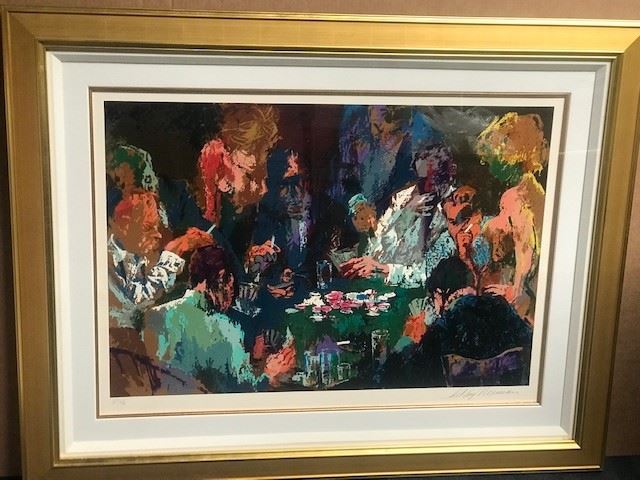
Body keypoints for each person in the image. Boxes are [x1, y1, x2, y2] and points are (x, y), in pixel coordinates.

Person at [143, 245, 296, 392]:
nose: (232, 295)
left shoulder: (156, 315)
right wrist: (270, 375)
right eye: (231, 287)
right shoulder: (226, 330)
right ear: (224, 278)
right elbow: (244, 389)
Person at [340, 142, 456, 287]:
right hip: (381, 286)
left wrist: (382, 269)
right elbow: (379, 244)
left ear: (447, 176)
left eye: (432, 181)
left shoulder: (453, 211)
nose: (424, 188)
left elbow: (428, 274)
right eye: (421, 180)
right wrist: (365, 261)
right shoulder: (404, 197)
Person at [474, 112, 549, 325]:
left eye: (491, 158)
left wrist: (515, 291)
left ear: (509, 157)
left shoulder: (515, 196)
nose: (486, 164)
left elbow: (526, 249)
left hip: (525, 301)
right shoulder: (533, 188)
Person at [107, 191, 213, 328]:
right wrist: (173, 252)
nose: (158, 235)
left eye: (156, 227)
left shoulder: (134, 254)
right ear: (124, 226)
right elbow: (137, 303)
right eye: (148, 227)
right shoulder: (108, 260)